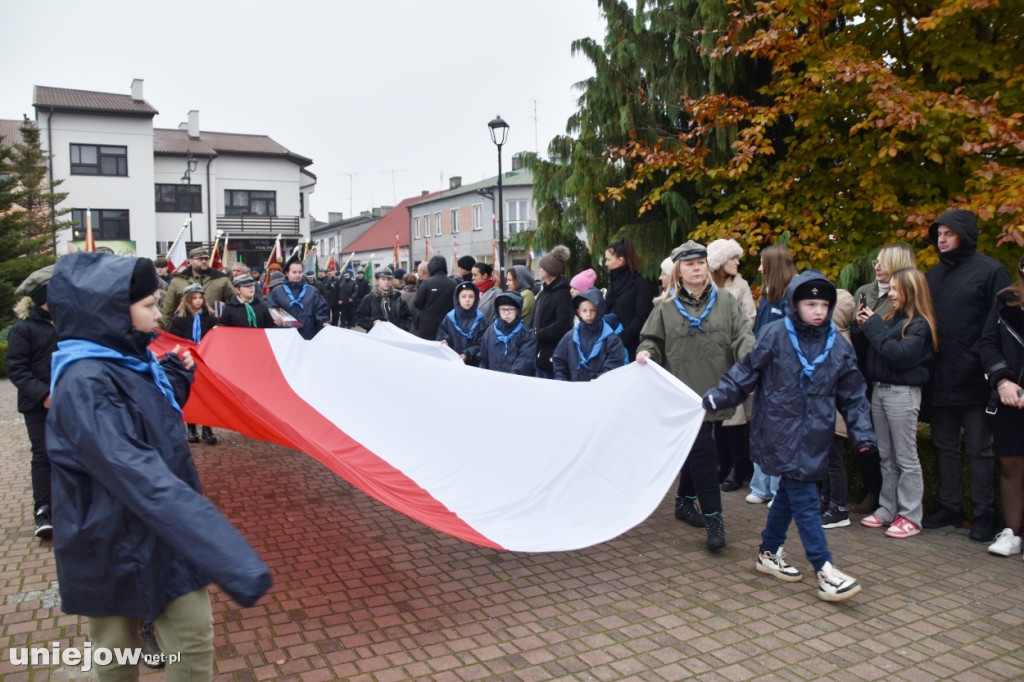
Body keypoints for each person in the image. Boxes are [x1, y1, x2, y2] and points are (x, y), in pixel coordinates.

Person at [46, 252, 271, 680]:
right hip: (111, 542)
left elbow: (146, 417)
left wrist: (173, 376)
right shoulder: (85, 382)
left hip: (163, 536)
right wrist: (226, 551)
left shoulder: (132, 362)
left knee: (192, 646)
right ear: (112, 313)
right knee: (117, 659)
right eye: (148, 305)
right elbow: (138, 473)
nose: (158, 311)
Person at [703, 271, 876, 601]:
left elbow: (853, 394)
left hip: (815, 435)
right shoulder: (775, 335)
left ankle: (768, 553)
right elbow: (745, 372)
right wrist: (718, 397)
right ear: (796, 303)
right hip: (778, 430)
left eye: (824, 304)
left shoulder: (838, 346)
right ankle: (824, 569)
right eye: (811, 303)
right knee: (805, 497)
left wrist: (863, 433)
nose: (819, 311)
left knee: (789, 493)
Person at [636, 240, 754, 551]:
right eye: (689, 264)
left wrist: (751, 365)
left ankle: (685, 502)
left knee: (696, 449)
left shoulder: (726, 302)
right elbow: (651, 340)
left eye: (701, 262)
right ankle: (715, 520)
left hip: (719, 389)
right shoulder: (664, 306)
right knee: (705, 455)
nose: (697, 267)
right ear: (678, 270)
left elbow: (743, 336)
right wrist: (646, 352)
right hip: (684, 396)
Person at [924, 209, 1011, 541]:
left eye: (949, 233)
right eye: (939, 234)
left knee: (979, 448)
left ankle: (984, 514)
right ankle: (949, 506)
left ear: (965, 234)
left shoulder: (991, 272)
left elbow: (1001, 328)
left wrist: (990, 368)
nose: (942, 239)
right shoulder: (932, 275)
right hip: (941, 375)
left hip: (977, 378)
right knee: (944, 444)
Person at [855, 268, 936, 539]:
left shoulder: (919, 325)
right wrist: (863, 326)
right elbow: (875, 350)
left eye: (895, 289)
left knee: (906, 457)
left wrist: (874, 325)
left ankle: (911, 515)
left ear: (910, 292)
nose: (890, 293)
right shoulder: (890, 320)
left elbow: (898, 355)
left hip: (903, 394)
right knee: (886, 455)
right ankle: (887, 508)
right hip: (879, 391)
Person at [849, 244, 916, 514]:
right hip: (863, 373)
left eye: (883, 262)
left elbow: (895, 341)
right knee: (868, 438)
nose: (876, 267)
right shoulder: (863, 292)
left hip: (892, 374)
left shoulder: (905, 299)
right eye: (875, 262)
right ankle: (873, 492)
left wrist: (872, 325)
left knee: (899, 450)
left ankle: (901, 505)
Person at [977, 253, 1024, 557]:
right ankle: (1012, 532)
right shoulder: (1005, 302)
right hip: (1011, 397)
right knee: (1011, 464)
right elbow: (987, 342)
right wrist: (1002, 380)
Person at [6, 265, 57, 538]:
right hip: (37, 405)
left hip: (70, 403)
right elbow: (17, 369)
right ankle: (44, 510)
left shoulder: (69, 324)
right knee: (43, 455)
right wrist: (43, 395)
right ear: (43, 297)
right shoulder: (23, 329)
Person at [747, 244, 798, 506]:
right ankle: (761, 486)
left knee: (780, 435)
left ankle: (780, 491)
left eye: (762, 263)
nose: (758, 269)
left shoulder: (793, 296)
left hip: (783, 377)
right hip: (764, 373)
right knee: (761, 430)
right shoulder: (767, 296)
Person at [707, 239, 757, 493]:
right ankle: (721, 464)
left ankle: (740, 468)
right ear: (718, 262)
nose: (737, 262)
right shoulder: (705, 285)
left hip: (734, 355)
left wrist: (731, 336)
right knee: (718, 416)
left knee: (735, 417)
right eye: (732, 258)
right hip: (711, 357)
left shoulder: (741, 285)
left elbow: (750, 316)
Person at [168, 283, 220, 446]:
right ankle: (191, 426)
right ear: (187, 300)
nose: (197, 301)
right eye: (194, 298)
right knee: (192, 394)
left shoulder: (210, 317)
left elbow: (216, 337)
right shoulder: (180, 318)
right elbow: (173, 339)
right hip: (188, 360)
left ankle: (207, 427)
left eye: (200, 297)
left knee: (207, 394)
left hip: (206, 360)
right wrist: (185, 344)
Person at [553, 287, 625, 381]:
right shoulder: (570, 337)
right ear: (578, 312)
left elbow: (614, 364)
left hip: (599, 391)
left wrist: (600, 379)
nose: (589, 314)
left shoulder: (611, 339)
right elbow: (559, 361)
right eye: (584, 310)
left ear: (599, 311)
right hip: (574, 391)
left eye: (593, 310)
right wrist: (562, 382)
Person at [160, 246, 234, 328]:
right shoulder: (178, 281)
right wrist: (167, 330)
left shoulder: (220, 279)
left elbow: (233, 303)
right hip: (185, 329)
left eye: (206, 259)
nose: (204, 261)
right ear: (191, 261)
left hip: (213, 327)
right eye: (200, 259)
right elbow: (168, 309)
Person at [604, 236, 652, 360]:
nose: (606, 263)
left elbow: (641, 317)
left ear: (620, 260)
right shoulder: (613, 284)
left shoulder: (639, 284)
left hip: (633, 348)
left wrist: (621, 338)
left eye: (608, 260)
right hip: (611, 346)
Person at [531, 245, 574, 378]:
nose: (538, 269)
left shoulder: (562, 294)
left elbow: (563, 324)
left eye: (541, 267)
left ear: (550, 270)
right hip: (540, 350)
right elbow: (534, 315)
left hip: (553, 352)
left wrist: (540, 334)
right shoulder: (545, 291)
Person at [267, 257, 331, 340]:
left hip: (309, 335)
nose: (297, 275)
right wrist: (276, 322)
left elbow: (321, 310)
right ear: (287, 273)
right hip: (286, 337)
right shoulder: (277, 292)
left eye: (300, 272)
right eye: (294, 272)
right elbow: (272, 311)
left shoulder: (312, 291)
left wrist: (324, 322)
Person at [479, 291, 537, 376]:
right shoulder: (490, 332)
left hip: (516, 382)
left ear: (517, 311)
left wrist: (509, 378)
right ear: (498, 311)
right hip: (492, 380)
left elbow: (524, 361)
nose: (506, 313)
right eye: (503, 309)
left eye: (511, 309)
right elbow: (483, 359)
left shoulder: (526, 334)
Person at [436, 281, 485, 364]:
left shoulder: (481, 319)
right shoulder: (450, 318)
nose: (467, 300)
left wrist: (468, 354)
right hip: (452, 362)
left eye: (471, 296)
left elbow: (482, 343)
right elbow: (442, 334)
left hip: (474, 364)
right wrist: (445, 340)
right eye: (463, 296)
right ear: (457, 299)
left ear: (476, 298)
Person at [413, 255, 457, 340]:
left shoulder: (426, 282)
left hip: (427, 325)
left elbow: (417, 303)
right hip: (447, 324)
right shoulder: (453, 283)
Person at [357, 266, 412, 331]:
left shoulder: (398, 298)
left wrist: (400, 329)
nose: (387, 282)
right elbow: (359, 317)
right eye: (383, 279)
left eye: (389, 279)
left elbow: (407, 317)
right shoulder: (369, 298)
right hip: (376, 336)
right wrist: (372, 322)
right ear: (377, 281)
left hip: (395, 336)